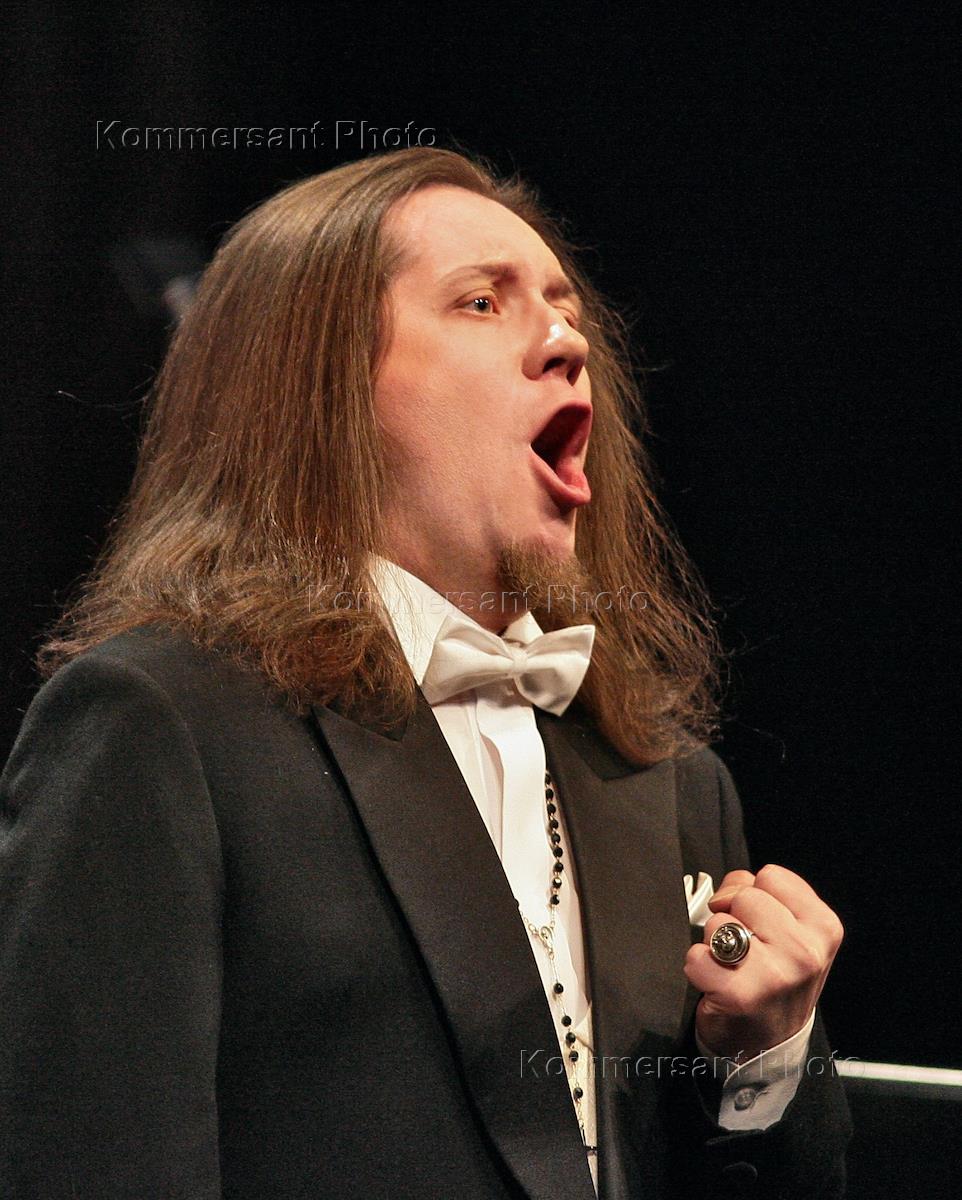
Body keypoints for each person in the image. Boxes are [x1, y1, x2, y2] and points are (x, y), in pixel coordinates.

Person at [0, 147, 851, 1199]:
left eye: (566, 308)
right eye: (482, 302)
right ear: (319, 387)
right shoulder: (161, 726)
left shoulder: (667, 781)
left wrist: (765, 1060)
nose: (566, 340)